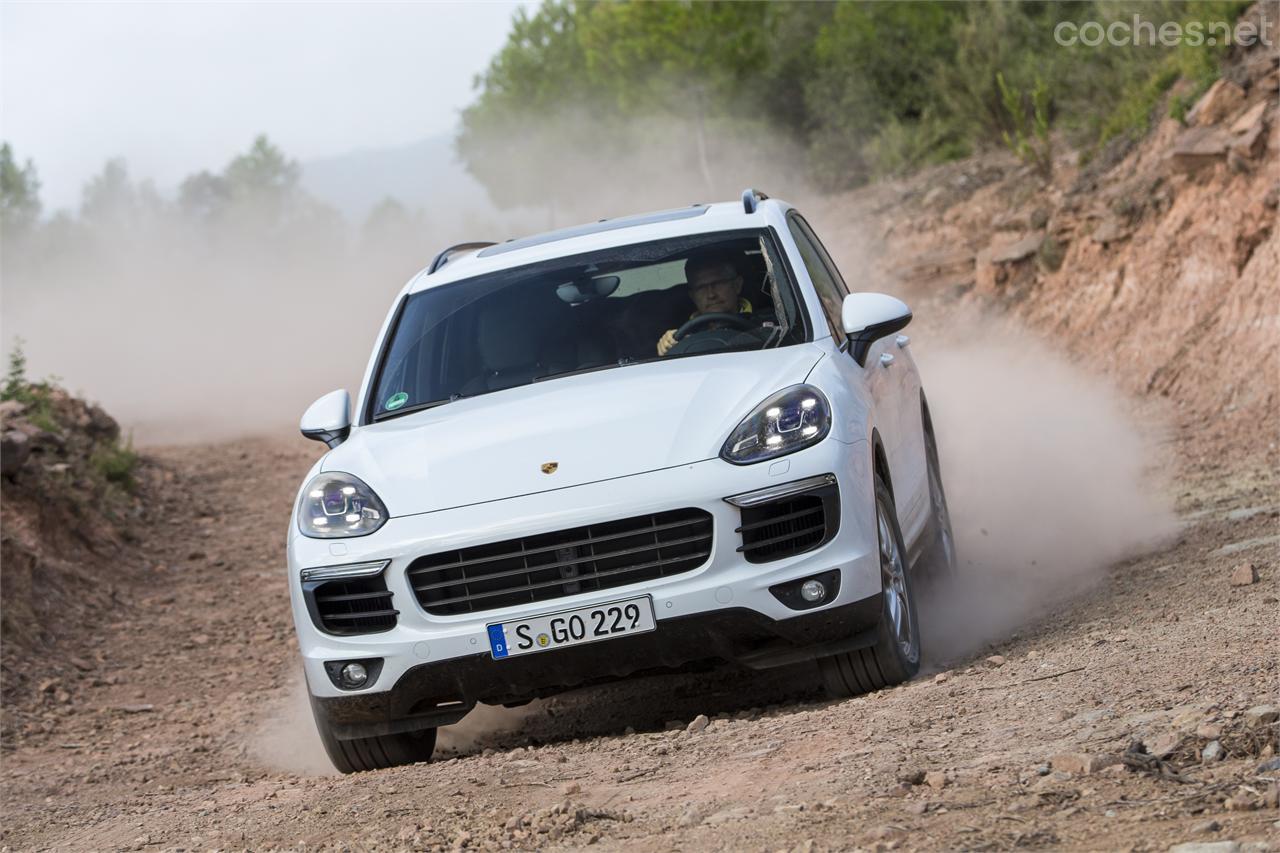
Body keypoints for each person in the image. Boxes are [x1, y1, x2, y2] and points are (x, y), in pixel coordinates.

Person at [656, 249, 763, 356]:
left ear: (737, 285)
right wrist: (666, 348)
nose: (711, 295)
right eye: (701, 288)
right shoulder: (681, 337)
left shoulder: (769, 324)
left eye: (718, 283)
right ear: (693, 296)